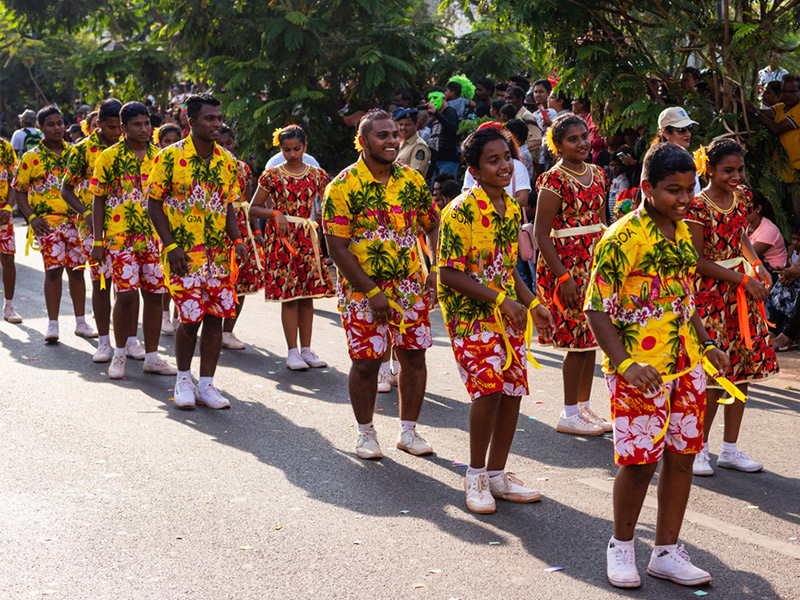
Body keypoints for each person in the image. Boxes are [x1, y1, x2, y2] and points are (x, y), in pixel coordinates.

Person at [585, 142, 728, 590]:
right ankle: (622, 546)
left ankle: (666, 551)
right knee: (640, 464)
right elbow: (596, 308)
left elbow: (683, 299)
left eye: (690, 189)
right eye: (673, 190)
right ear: (646, 188)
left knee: (684, 457)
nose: (684, 199)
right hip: (639, 371)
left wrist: (706, 343)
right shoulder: (622, 238)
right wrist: (624, 363)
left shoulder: (683, 231)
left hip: (686, 366)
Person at [438, 124, 555, 513]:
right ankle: (476, 477)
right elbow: (449, 273)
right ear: (473, 170)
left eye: (507, 157)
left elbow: (507, 270)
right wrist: (501, 301)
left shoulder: (509, 209)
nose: (504, 166)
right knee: (487, 392)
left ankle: (499, 474)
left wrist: (533, 302)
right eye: (493, 160)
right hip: (470, 315)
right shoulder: (460, 211)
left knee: (511, 393)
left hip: (507, 313)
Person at [322, 109, 439, 459]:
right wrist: (372, 291)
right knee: (366, 363)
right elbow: (337, 249)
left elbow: (432, 223)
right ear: (363, 141)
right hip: (362, 290)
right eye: (382, 136)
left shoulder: (411, 181)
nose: (391, 141)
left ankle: (409, 432)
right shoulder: (341, 187)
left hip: (409, 288)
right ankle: (365, 433)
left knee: (414, 359)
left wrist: (433, 267)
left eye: (393, 135)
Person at [686, 139, 780, 476]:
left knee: (742, 371)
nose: (736, 176)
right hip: (713, 295)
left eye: (739, 169)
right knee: (714, 377)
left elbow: (741, 238)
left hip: (741, 290)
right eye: (728, 170)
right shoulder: (697, 206)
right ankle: (699, 447)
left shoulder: (740, 200)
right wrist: (742, 280)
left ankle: (730, 448)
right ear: (708, 168)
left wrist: (757, 265)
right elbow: (697, 261)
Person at [146, 93, 246, 410]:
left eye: (219, 118)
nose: (217, 124)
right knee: (189, 320)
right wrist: (171, 245)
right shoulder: (169, 157)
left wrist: (239, 239)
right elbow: (154, 203)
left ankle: (207, 385)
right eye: (210, 118)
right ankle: (183, 381)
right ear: (192, 122)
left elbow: (228, 205)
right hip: (183, 257)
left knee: (216, 319)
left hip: (218, 256)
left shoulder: (227, 162)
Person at [533, 114, 610, 435]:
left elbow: (605, 220)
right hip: (568, 265)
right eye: (572, 139)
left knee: (591, 338)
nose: (582, 143)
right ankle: (567, 412)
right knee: (576, 341)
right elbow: (541, 233)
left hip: (596, 262)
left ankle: (584, 407)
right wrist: (563, 277)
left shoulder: (599, 174)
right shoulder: (554, 180)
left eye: (584, 136)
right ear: (557, 145)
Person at [89, 101, 176, 380]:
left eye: (147, 123)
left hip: (154, 239)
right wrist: (99, 241)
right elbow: (98, 198)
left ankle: (152, 357)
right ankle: (119, 354)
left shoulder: (162, 157)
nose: (144, 129)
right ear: (124, 128)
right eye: (137, 124)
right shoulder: (109, 157)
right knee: (125, 296)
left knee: (154, 296)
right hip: (120, 239)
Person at [250, 125, 334, 369]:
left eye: (297, 148)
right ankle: (292, 351)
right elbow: (254, 207)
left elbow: (330, 203)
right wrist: (275, 212)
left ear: (305, 146)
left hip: (307, 238)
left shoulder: (317, 174)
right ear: (280, 150)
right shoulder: (272, 176)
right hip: (281, 239)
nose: (292, 154)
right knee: (290, 296)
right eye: (287, 150)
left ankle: (307, 349)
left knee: (307, 296)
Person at [12, 106, 97, 343]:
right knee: (53, 271)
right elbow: (19, 190)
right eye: (51, 124)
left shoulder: (76, 153)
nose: (57, 128)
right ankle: (53, 324)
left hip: (76, 222)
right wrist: (31, 217)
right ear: (40, 128)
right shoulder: (31, 157)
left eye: (60, 123)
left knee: (78, 271)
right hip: (47, 224)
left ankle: (81, 322)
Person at [62, 98, 123, 363]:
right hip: (94, 230)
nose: (117, 132)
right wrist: (85, 213)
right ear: (98, 124)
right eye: (111, 127)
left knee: (127, 287)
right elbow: (66, 189)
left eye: (120, 127)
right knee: (101, 283)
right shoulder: (83, 150)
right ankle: (103, 342)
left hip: (128, 228)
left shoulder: (129, 148)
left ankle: (129, 341)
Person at [216, 126, 264, 350]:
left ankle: (228, 331)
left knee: (241, 280)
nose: (225, 148)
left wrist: (256, 232)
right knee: (217, 279)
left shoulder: (243, 168)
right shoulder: (211, 165)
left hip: (240, 226)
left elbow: (248, 203)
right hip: (217, 226)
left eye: (229, 143)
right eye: (220, 143)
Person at [747, 74, 800, 219]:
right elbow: (765, 114)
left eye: (793, 92)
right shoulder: (780, 107)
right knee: (782, 216)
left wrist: (755, 112)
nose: (788, 95)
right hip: (781, 173)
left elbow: (776, 128)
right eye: (785, 91)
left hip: (797, 175)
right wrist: (744, 105)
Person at [154, 124, 182, 335]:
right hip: (160, 227)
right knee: (164, 276)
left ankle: (177, 315)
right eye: (166, 141)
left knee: (181, 275)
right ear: (159, 142)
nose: (171, 145)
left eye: (175, 141)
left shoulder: (185, 161)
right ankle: (164, 315)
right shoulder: (160, 161)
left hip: (181, 226)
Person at [650, 107, 701, 195]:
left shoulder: (689, 159)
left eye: (690, 128)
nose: (688, 134)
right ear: (666, 133)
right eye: (681, 130)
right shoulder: (657, 161)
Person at [0, 137, 21, 323]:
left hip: (2, 215)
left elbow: (14, 180)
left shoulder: (5, 147)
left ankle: (9, 306)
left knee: (8, 257)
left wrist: (8, 206)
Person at [769, 226, 800, 351]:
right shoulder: (795, 252)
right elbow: (795, 269)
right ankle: (773, 329)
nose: (795, 243)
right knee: (781, 286)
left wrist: (794, 274)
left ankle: (787, 337)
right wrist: (788, 276)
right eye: (793, 239)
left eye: (798, 240)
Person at [746, 190, 787, 273]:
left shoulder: (769, 230)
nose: (742, 212)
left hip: (776, 272)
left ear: (758, 209)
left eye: (746, 208)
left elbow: (749, 255)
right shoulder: (748, 225)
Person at [426, 86, 460, 179]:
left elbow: (452, 128)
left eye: (435, 98)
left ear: (444, 98)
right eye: (430, 99)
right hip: (436, 160)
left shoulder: (450, 112)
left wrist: (436, 113)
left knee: (445, 189)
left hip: (448, 161)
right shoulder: (436, 116)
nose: (432, 101)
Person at [505, 86, 542, 159]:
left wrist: (517, 149)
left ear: (520, 99)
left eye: (510, 98)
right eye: (506, 98)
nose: (507, 101)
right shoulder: (513, 115)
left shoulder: (526, 115)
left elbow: (537, 140)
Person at [393, 108, 430, 178]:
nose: (403, 128)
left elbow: (415, 176)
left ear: (416, 125)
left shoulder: (419, 146)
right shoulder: (402, 143)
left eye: (407, 125)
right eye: (400, 124)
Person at [608, 154, 630, 222]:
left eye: (617, 165)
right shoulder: (610, 180)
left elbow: (622, 201)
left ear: (622, 167)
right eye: (612, 165)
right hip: (611, 215)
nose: (614, 168)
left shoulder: (623, 181)